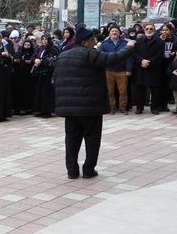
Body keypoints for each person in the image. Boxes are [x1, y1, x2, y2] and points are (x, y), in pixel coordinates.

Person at [54, 26, 136, 179]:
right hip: (91, 107)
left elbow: (56, 79)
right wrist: (129, 47)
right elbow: (114, 58)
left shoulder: (63, 56)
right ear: (85, 42)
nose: (95, 42)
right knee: (92, 140)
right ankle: (88, 170)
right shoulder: (90, 54)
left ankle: (72, 171)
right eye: (92, 40)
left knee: (71, 140)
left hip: (70, 109)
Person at [98, 26, 133, 114]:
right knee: (110, 91)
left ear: (119, 33)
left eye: (116, 31)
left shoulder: (125, 43)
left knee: (123, 91)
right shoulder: (104, 44)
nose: (114, 33)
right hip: (108, 70)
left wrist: (129, 69)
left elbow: (129, 57)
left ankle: (123, 107)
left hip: (122, 70)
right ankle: (112, 107)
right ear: (109, 33)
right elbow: (101, 58)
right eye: (112, 31)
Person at [133, 23, 165, 114]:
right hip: (141, 68)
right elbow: (134, 53)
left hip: (154, 68)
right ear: (144, 30)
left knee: (155, 89)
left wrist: (149, 62)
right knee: (140, 89)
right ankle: (139, 108)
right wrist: (141, 61)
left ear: (154, 30)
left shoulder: (160, 42)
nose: (149, 30)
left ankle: (154, 108)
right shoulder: (138, 41)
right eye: (147, 29)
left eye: (151, 29)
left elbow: (160, 55)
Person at [31, 35, 58, 118]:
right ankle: (40, 110)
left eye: (46, 39)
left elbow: (54, 60)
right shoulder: (39, 48)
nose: (44, 41)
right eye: (42, 39)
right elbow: (34, 56)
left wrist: (42, 61)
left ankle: (47, 111)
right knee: (40, 91)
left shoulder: (53, 49)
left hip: (48, 73)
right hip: (40, 73)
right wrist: (35, 60)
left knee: (47, 92)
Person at [12, 38, 35, 115]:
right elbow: (13, 60)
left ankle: (28, 108)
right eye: (25, 44)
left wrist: (30, 61)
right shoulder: (19, 52)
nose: (27, 46)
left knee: (27, 92)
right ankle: (18, 108)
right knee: (19, 92)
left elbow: (34, 61)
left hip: (29, 77)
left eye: (28, 45)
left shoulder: (33, 53)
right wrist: (16, 61)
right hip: (19, 76)